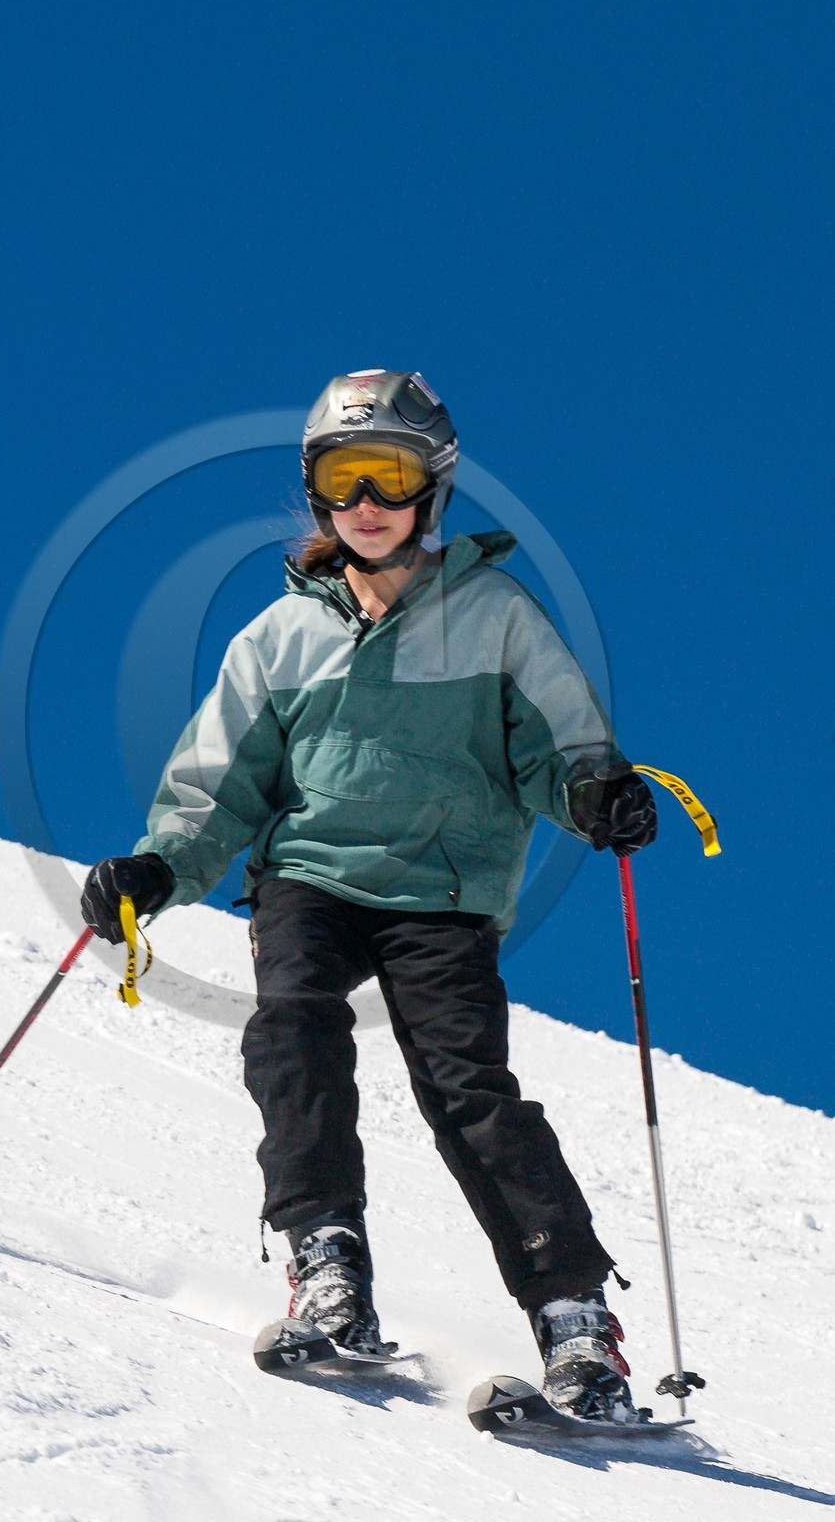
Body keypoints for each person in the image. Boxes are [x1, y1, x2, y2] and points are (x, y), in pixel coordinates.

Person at [80, 370, 658, 1422]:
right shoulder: (278, 636)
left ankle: (577, 1327)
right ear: (314, 494)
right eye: (339, 478)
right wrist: (162, 865)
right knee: (290, 1030)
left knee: (466, 1090)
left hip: (440, 888)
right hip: (309, 877)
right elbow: (220, 782)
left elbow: (557, 743)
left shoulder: (494, 616)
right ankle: (327, 1264)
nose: (363, 503)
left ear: (431, 487)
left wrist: (593, 792)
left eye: (385, 475)